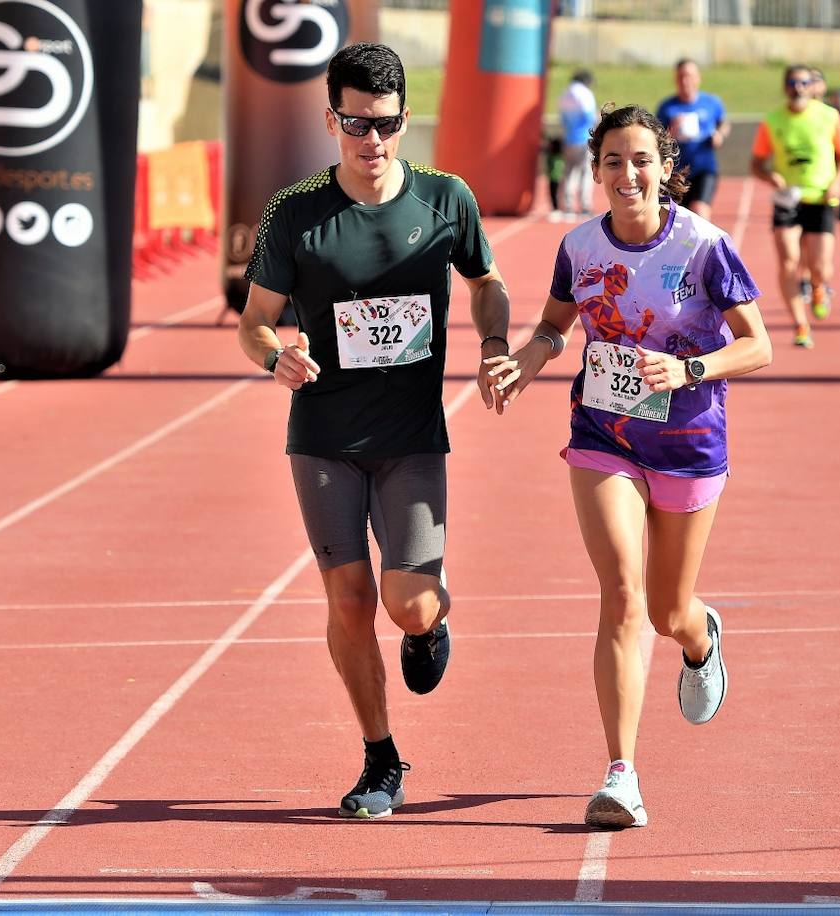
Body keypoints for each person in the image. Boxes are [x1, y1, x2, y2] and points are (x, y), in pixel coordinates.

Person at [237, 42, 512, 821]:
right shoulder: (295, 212)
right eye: (356, 123)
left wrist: (494, 345)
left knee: (411, 605)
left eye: (385, 124)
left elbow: (487, 283)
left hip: (412, 439)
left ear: (404, 120)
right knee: (350, 601)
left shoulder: (445, 199)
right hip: (322, 440)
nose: (372, 140)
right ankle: (380, 758)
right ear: (331, 119)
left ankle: (430, 630)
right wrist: (276, 357)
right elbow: (255, 322)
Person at [485, 104, 772, 828]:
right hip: (603, 434)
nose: (627, 173)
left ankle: (701, 635)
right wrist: (527, 358)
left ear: (666, 168)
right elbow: (556, 324)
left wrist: (688, 369)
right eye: (613, 160)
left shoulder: (705, 247)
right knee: (621, 592)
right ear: (596, 169)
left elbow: (757, 344)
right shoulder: (581, 248)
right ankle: (622, 775)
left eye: (640, 159)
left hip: (689, 441)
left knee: (667, 610)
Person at [749, 63, 840, 349]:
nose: (798, 88)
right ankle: (800, 324)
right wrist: (769, 174)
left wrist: (838, 181)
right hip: (788, 199)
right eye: (793, 82)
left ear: (812, 86)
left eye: (804, 82)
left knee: (821, 266)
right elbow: (756, 163)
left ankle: (820, 286)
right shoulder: (772, 120)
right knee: (788, 261)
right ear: (785, 87)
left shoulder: (829, 117)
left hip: (821, 198)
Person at [655, 58, 731, 221]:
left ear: (698, 78)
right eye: (681, 76)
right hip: (676, 172)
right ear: (676, 79)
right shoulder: (667, 107)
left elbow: (724, 123)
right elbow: (656, 139)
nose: (685, 81)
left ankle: (704, 246)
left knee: (700, 211)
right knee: (674, 219)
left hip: (704, 169)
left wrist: (719, 135)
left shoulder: (712, 102)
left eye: (689, 76)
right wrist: (671, 133)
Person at [558, 69, 599, 219]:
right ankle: (584, 205)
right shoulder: (585, 94)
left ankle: (568, 205)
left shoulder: (565, 93)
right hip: (583, 138)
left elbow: (562, 118)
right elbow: (590, 117)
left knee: (569, 172)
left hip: (569, 137)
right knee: (585, 172)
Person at [546, 136, 566, 221]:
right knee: (555, 194)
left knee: (555, 194)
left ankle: (557, 209)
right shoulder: (556, 156)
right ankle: (556, 208)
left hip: (556, 178)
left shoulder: (556, 156)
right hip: (556, 178)